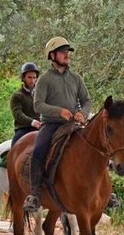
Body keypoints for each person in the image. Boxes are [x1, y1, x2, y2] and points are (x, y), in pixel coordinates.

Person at [23, 37, 91, 213]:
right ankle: (35, 194)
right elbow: (38, 105)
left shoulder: (76, 78)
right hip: (51, 125)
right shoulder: (45, 79)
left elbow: (86, 100)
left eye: (67, 52)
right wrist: (59, 111)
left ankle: (105, 192)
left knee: (95, 145)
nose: (67, 55)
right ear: (52, 55)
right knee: (39, 150)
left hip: (73, 124)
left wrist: (82, 113)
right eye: (63, 52)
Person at [10, 62, 42, 148]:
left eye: (34, 77)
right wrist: (32, 122)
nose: (32, 80)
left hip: (41, 127)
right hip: (24, 128)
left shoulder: (41, 94)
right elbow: (17, 114)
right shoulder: (17, 96)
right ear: (23, 78)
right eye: (29, 77)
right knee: (14, 147)